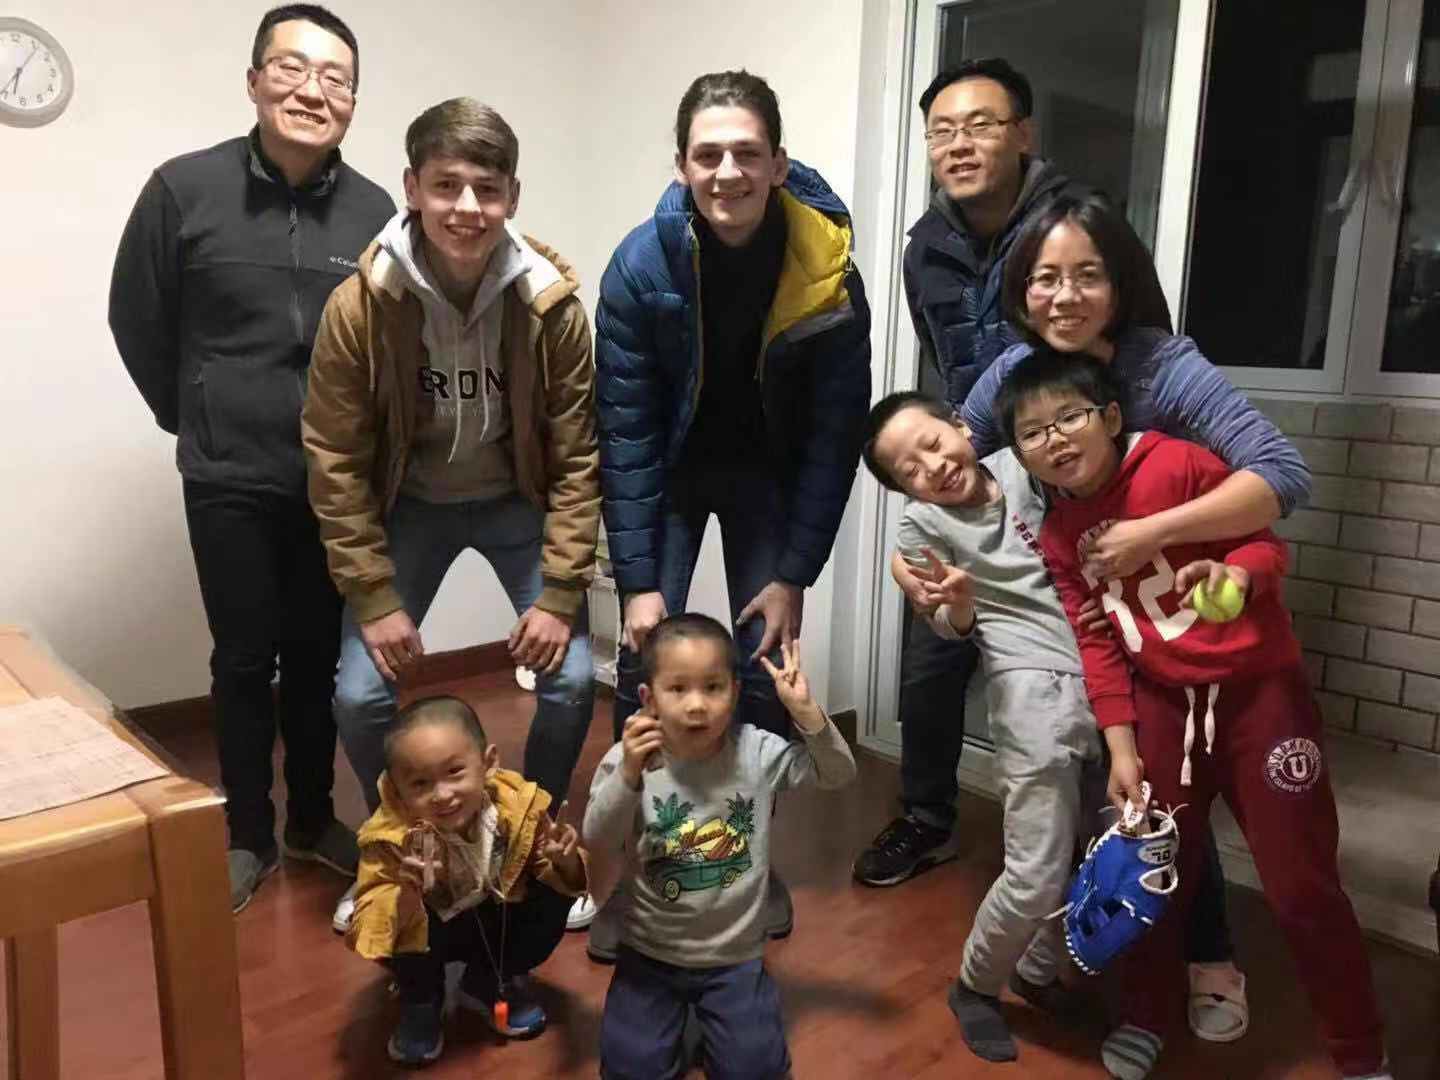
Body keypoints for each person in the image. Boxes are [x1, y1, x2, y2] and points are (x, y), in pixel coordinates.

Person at [911, 186, 1316, 1041]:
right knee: (1128, 806)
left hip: (1179, 611)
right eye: (1044, 277)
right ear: (1021, 290)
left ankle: (1210, 959)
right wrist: (914, 555)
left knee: (1176, 805)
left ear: (1121, 281)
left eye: (1086, 274)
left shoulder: (1165, 367)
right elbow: (951, 457)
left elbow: (1282, 475)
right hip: (1086, 616)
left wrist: (1150, 534)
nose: (1064, 296)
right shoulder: (1011, 373)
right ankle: (1100, 971)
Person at [996, 351, 1389, 1080]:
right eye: (1032, 431)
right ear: (1020, 454)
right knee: (1152, 874)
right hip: (1159, 709)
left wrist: (1235, 574)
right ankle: (1144, 1014)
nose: (1055, 438)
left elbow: (1264, 544)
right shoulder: (1059, 536)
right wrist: (1120, 748)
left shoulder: (1176, 464)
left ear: (1111, 417)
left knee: (1302, 884)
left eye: (1070, 416)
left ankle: (1359, 1050)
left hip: (1261, 698)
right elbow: (1097, 646)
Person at [853, 57, 1170, 889]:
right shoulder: (926, 249)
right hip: (974, 464)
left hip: (1067, 466)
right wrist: (940, 461)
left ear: (1023, 134)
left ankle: (1121, 837)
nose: (959, 145)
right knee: (932, 649)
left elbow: (1140, 345)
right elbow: (943, 360)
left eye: (980, 125)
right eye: (941, 132)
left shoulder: (1079, 222)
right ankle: (927, 816)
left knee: (1095, 646)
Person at [108, 4, 394, 913]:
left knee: (314, 660)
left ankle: (310, 818)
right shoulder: (182, 189)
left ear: (353, 100)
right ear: (255, 81)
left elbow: (388, 347)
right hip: (227, 475)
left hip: (333, 483)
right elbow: (136, 318)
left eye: (335, 77)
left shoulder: (377, 212)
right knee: (241, 660)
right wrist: (192, 414)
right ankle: (246, 834)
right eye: (292, 68)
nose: (313, 90)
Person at [302, 97, 600, 934]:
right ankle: (403, 853)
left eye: (487, 189)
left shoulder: (551, 305)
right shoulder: (361, 305)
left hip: (515, 503)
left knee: (575, 677)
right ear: (412, 188)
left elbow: (578, 455)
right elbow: (334, 457)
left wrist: (560, 594)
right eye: (446, 186)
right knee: (359, 695)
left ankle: (530, 843)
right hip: (413, 508)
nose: (467, 207)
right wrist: (373, 596)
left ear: (512, 195)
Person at [593, 69, 870, 946]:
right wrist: (638, 581)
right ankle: (636, 869)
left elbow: (834, 437)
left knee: (762, 664)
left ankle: (744, 857)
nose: (727, 173)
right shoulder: (640, 266)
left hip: (766, 478)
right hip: (671, 477)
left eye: (747, 153)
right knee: (642, 661)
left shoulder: (827, 269)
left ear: (779, 164)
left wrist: (795, 574)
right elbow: (626, 434)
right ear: (681, 165)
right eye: (707, 155)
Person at [861, 391, 1103, 1063]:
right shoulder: (921, 528)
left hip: (1107, 678)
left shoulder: (1025, 465)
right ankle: (975, 984)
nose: (932, 467)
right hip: (1030, 692)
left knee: (1093, 853)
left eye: (933, 444)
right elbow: (946, 625)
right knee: (1036, 867)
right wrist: (962, 605)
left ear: (960, 428)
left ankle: (1036, 968)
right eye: (910, 471)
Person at [583, 614, 856, 1080]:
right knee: (630, 1071)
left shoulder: (755, 752)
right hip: (648, 955)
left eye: (713, 688)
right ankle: (686, 1028)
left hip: (735, 958)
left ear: (735, 692)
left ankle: (700, 1027)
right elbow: (597, 838)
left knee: (757, 1071)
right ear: (648, 698)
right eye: (678, 688)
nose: (697, 706)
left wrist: (808, 714)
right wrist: (627, 776)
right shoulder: (630, 759)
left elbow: (838, 773)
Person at [346, 695, 587, 1067]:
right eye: (420, 783)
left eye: (455, 772)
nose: (442, 795)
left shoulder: (515, 807)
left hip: (494, 919)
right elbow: (370, 925)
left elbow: (565, 879)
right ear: (396, 789)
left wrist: (565, 861)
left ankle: (488, 980)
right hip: (430, 934)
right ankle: (422, 1000)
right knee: (404, 927)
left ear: (488, 763)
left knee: (553, 893)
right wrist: (407, 894)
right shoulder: (389, 837)